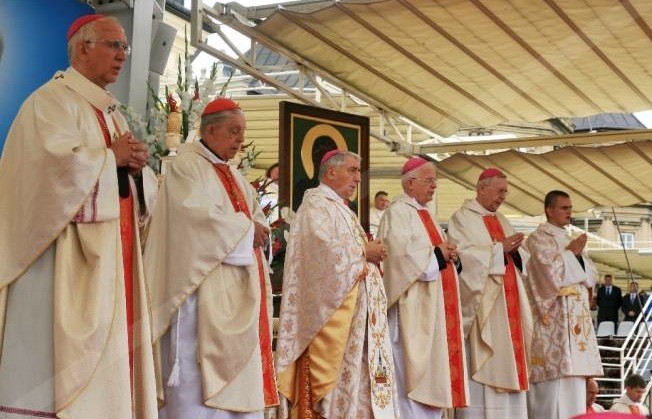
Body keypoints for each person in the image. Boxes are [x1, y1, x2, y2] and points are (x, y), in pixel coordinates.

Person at [0, 14, 158, 418]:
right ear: (82, 49)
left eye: (125, 47)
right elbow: (45, 174)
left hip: (110, 260)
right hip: (58, 265)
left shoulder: (112, 113)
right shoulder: (50, 102)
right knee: (51, 366)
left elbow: (121, 181)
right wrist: (110, 159)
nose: (122, 55)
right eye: (113, 45)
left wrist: (136, 170)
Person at [143, 97, 278, 418]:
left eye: (242, 132)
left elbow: (257, 219)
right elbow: (194, 217)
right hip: (199, 292)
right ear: (210, 130)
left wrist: (257, 230)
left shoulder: (235, 176)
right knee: (196, 386)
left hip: (238, 291)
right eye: (233, 131)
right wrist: (247, 230)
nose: (240, 140)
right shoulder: (186, 166)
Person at [276, 150, 398, 418]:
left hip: (358, 323)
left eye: (358, 172)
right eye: (352, 170)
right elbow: (320, 256)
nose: (358, 178)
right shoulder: (315, 206)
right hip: (334, 326)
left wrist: (369, 254)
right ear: (331, 172)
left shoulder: (341, 209)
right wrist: (363, 252)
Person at [378, 157, 468, 418]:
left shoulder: (427, 215)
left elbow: (435, 255)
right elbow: (399, 258)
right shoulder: (397, 213)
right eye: (429, 180)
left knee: (434, 377)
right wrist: (438, 255)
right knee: (411, 384)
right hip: (412, 313)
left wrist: (451, 256)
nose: (434, 186)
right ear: (410, 183)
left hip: (434, 312)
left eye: (434, 181)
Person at [447, 167, 532, 419]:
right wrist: (498, 250)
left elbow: (521, 258)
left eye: (505, 192)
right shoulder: (462, 218)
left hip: (510, 304)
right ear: (482, 188)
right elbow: (462, 257)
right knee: (487, 358)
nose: (503, 197)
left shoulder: (503, 220)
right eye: (499, 191)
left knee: (511, 359)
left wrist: (515, 251)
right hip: (486, 306)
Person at [524, 190, 604, 418]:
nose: (569, 212)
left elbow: (591, 276)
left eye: (570, 208)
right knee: (553, 396)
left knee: (574, 391)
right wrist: (572, 254)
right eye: (564, 208)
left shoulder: (570, 239)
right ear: (549, 210)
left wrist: (575, 255)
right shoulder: (538, 239)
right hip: (554, 326)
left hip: (576, 329)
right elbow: (547, 275)